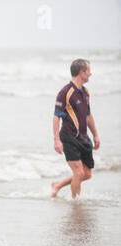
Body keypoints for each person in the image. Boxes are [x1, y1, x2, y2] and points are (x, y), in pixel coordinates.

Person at [51, 59, 100, 199]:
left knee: (86, 174)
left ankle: (58, 184)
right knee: (78, 173)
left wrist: (95, 135)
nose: (90, 74)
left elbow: (88, 115)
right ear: (81, 72)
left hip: (84, 139)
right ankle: (76, 206)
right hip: (69, 136)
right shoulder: (65, 92)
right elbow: (56, 117)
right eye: (88, 71)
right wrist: (57, 140)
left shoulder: (85, 92)